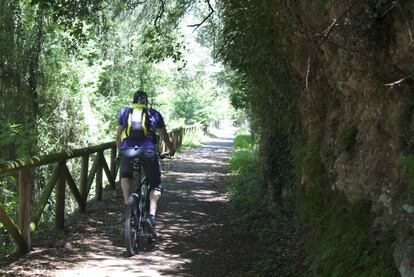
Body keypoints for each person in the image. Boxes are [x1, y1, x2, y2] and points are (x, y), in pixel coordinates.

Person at [116, 90, 175, 238]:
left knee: (125, 175)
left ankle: (127, 205)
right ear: (146, 102)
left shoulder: (125, 112)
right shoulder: (154, 114)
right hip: (148, 151)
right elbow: (164, 136)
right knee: (155, 184)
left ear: (133, 101)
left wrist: (120, 152)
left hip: (127, 150)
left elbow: (118, 136)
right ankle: (151, 217)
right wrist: (171, 149)